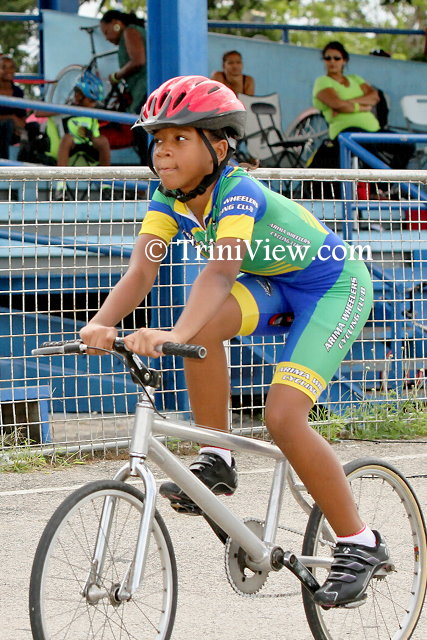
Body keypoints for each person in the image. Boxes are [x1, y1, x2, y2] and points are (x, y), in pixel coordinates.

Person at [79, 75, 390, 608]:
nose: (163, 151)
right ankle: (217, 455)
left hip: (333, 286)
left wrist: (173, 334)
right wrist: (98, 324)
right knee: (202, 328)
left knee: (283, 417)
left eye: (180, 138)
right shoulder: (169, 198)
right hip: (276, 282)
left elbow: (221, 272)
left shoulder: (237, 191)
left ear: (218, 147)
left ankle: (361, 543)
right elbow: (142, 270)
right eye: (158, 140)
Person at [100, 9, 147, 163]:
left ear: (116, 23)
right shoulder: (133, 32)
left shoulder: (130, 31)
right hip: (142, 91)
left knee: (143, 135)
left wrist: (116, 76)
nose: (106, 38)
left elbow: (138, 61)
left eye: (106, 32)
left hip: (144, 91)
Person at [0, 55, 26, 160]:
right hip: (4, 128)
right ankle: (3, 164)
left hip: (13, 130)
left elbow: (22, 117)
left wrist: (18, 127)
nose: (8, 71)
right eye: (4, 67)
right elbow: (13, 119)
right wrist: (11, 118)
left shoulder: (18, 92)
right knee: (8, 124)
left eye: (11, 67)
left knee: (34, 128)